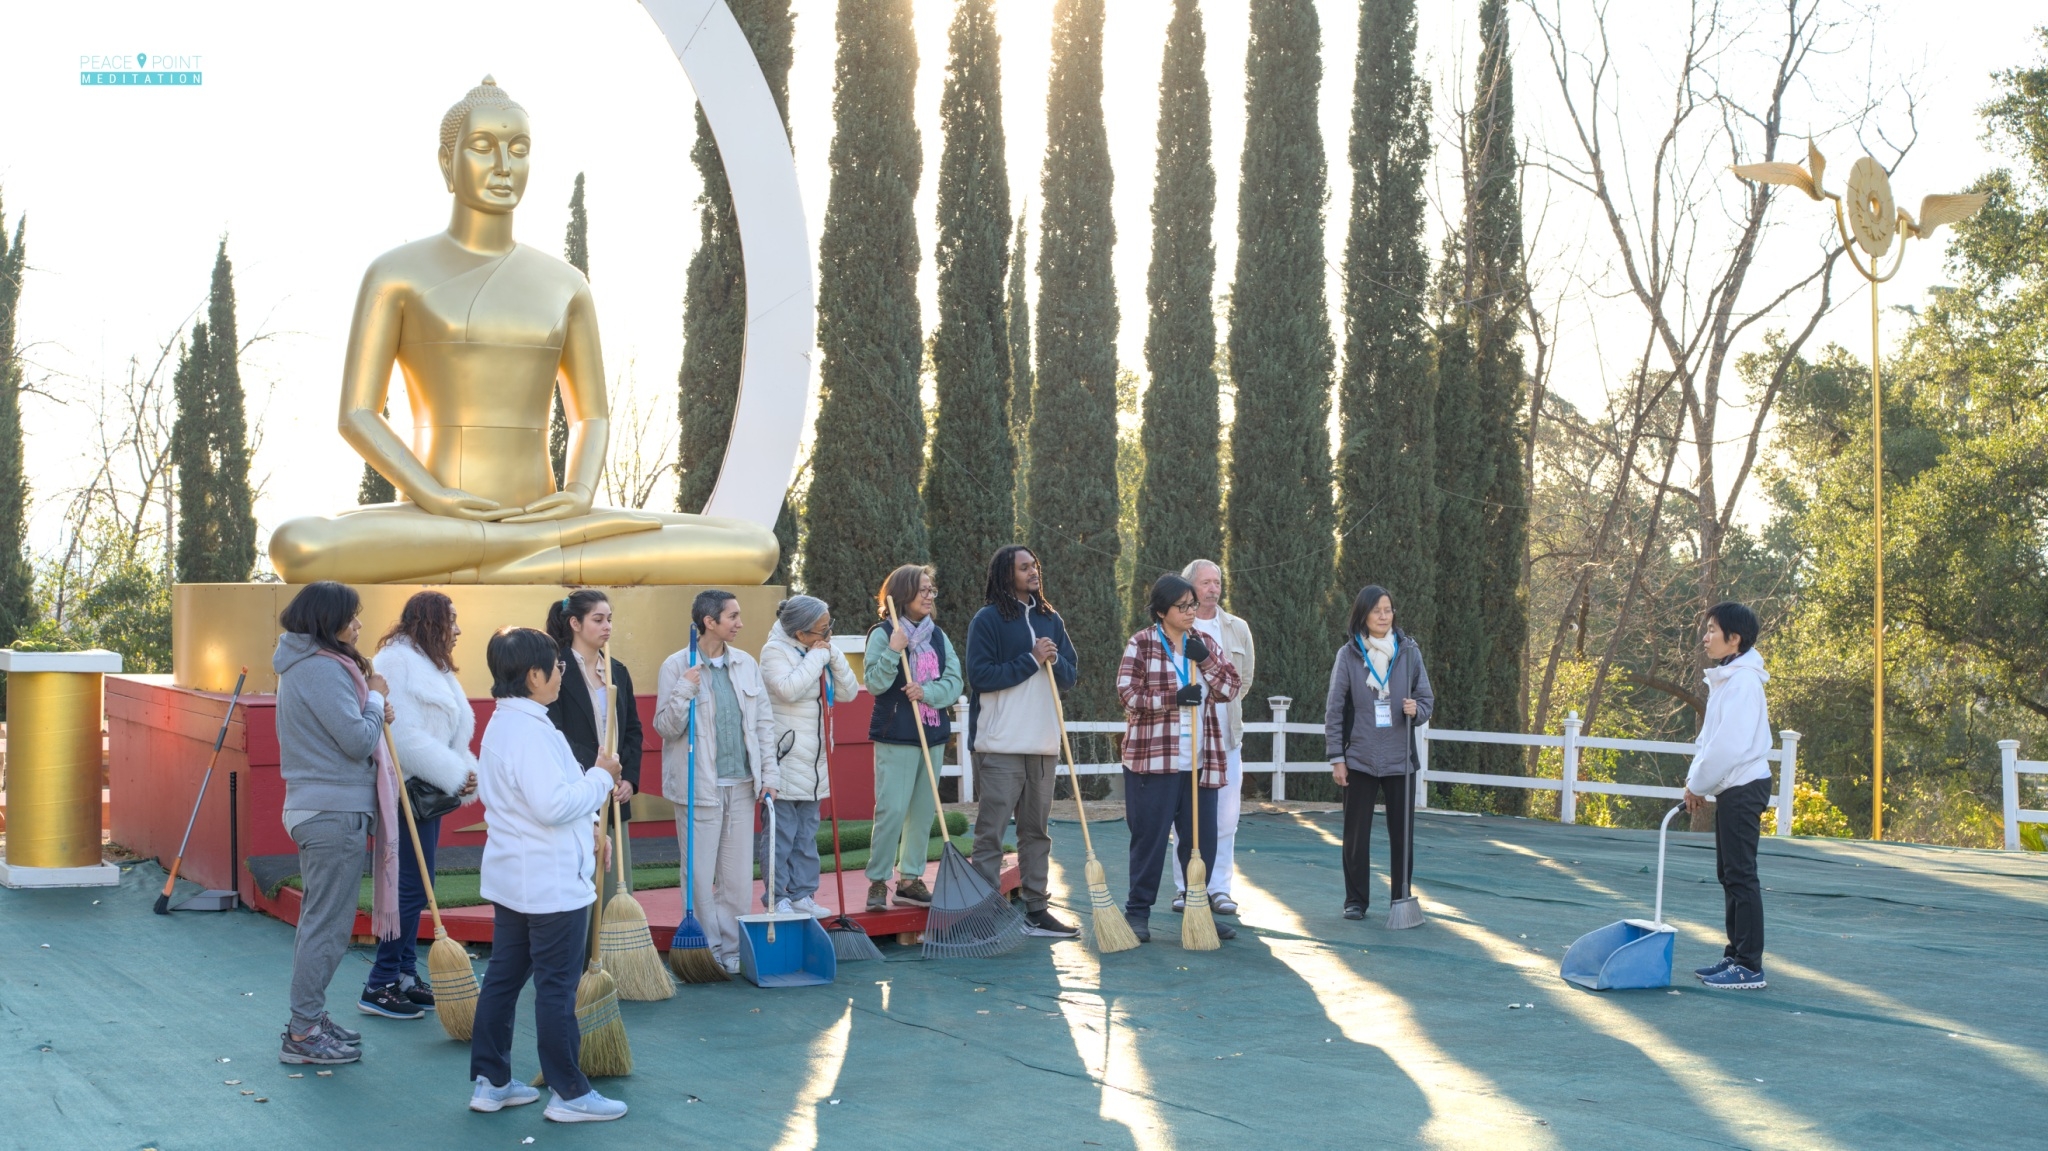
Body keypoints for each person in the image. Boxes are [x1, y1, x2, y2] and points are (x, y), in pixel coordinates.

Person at [467, 626, 627, 1122]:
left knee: (504, 979)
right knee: (556, 986)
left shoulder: (507, 723)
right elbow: (553, 803)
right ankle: (570, 1091)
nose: (562, 673)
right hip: (550, 883)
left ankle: (491, 1081)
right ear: (534, 675)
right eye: (556, 667)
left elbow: (551, 798)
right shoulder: (530, 730)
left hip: (517, 877)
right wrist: (603, 776)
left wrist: (592, 827)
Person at [273, 580, 399, 1065]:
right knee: (326, 927)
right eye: (353, 616)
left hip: (322, 807)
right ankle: (302, 1033)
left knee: (320, 923)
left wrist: (369, 703)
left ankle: (309, 1019)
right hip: (332, 811)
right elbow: (354, 739)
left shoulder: (307, 665)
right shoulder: (323, 670)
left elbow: (350, 728)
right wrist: (373, 700)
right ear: (329, 621)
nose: (360, 624)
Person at [361, 590, 480, 1020]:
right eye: (451, 619)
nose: (458, 629)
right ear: (430, 621)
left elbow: (451, 730)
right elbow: (403, 738)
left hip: (428, 791)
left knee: (419, 882)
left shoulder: (431, 662)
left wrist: (463, 769)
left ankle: (405, 975)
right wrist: (454, 772)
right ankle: (380, 981)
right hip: (406, 790)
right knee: (410, 886)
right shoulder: (396, 661)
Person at [652, 591, 780, 976]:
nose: (740, 623)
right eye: (733, 616)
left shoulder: (746, 663)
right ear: (710, 621)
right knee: (699, 876)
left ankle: (732, 951)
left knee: (738, 878)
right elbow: (665, 727)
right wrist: (685, 687)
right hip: (698, 790)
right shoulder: (677, 665)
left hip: (742, 786)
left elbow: (763, 725)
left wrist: (769, 777)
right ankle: (705, 953)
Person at [1116, 573, 1243, 944]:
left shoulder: (1201, 642)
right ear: (1161, 611)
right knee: (1150, 840)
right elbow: (1127, 695)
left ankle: (1199, 910)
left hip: (1200, 763)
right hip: (1153, 763)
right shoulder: (1141, 643)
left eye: (1193, 604)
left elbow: (1230, 688)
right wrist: (1172, 698)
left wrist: (1206, 661)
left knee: (1200, 842)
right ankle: (1137, 913)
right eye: (1183, 606)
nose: (1191, 611)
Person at [964, 545, 1080, 938]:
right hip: (999, 744)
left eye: (1036, 564)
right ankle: (984, 913)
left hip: (1043, 744)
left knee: (1036, 832)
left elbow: (1069, 676)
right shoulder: (988, 620)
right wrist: (1031, 659)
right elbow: (980, 676)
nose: (1034, 571)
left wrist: (1052, 660)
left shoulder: (1051, 618)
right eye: (1025, 567)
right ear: (1005, 574)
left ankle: (1036, 910)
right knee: (991, 832)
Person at [541, 589, 644, 956]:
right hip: (577, 791)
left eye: (609, 619)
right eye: (598, 620)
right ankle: (577, 963)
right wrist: (599, 770)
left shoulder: (618, 670)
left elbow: (632, 729)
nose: (607, 627)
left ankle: (615, 960)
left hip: (615, 792)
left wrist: (627, 777)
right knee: (580, 880)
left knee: (617, 880)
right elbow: (556, 734)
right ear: (575, 623)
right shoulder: (555, 671)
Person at [1324, 585, 1434, 921]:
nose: (1384, 616)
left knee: (1402, 836)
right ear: (1363, 615)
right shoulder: (1348, 655)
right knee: (1355, 836)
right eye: (1377, 610)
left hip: (1401, 760)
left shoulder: (1410, 653)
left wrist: (1417, 710)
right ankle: (1355, 901)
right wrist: (1336, 758)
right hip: (1359, 759)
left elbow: (1426, 700)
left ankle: (1401, 898)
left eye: (1388, 609)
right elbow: (1335, 711)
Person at [862, 566, 965, 911]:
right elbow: (875, 684)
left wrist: (927, 691)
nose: (928, 595)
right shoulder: (883, 633)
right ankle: (878, 880)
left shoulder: (938, 636)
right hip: (896, 734)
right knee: (891, 810)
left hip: (932, 735)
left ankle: (909, 880)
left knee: (922, 812)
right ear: (903, 593)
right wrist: (894, 650)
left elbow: (954, 682)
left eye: (931, 590)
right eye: (922, 589)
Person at [1685, 601, 1775, 991]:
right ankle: (1734, 955)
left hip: (1744, 786)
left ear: (1734, 639)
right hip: (1732, 787)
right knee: (1729, 874)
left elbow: (1729, 747)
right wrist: (1695, 781)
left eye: (1712, 630)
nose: (1705, 637)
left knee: (1741, 874)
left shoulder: (1742, 683)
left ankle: (1749, 966)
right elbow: (1708, 741)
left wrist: (1698, 785)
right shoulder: (1727, 678)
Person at [761, 594, 860, 917]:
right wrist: (818, 658)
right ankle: (778, 897)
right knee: (781, 835)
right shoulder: (773, 651)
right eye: (821, 630)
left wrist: (831, 653)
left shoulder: (817, 648)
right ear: (800, 633)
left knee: (806, 836)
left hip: (816, 762)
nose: (827, 634)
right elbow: (788, 690)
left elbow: (848, 692)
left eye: (829, 627)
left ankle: (804, 893)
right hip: (786, 758)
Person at [1170, 559, 1255, 916]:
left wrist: (1218, 702)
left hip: (1225, 738)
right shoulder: (1173, 627)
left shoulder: (1237, 628)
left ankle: (1219, 889)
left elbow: (1244, 680)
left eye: (1217, 582)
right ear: (1190, 588)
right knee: (1183, 818)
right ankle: (1184, 888)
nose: (1213, 588)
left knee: (1225, 817)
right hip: (1183, 739)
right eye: (1205, 583)